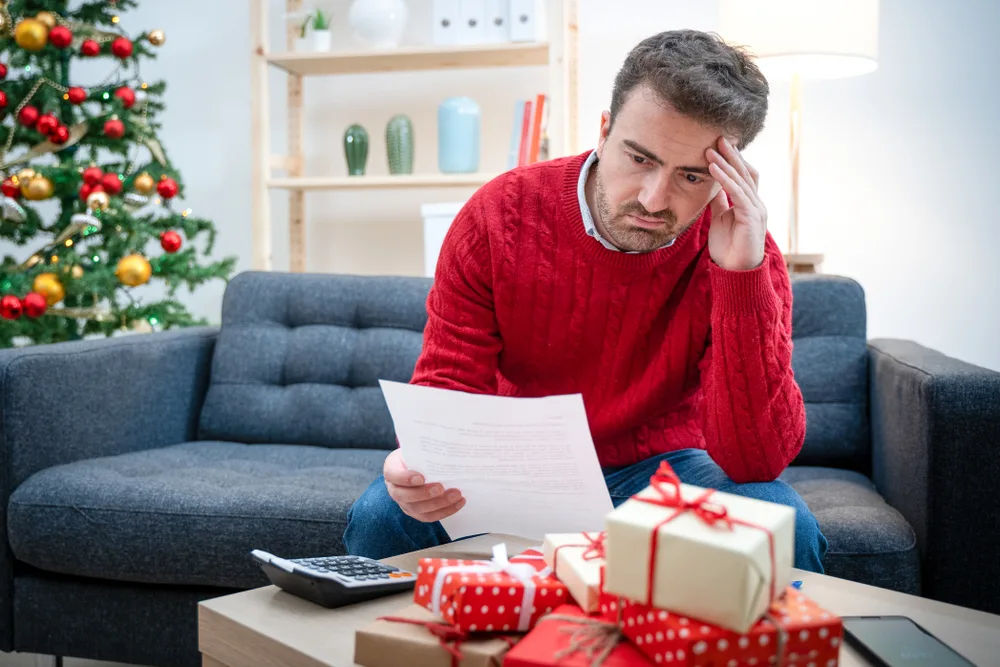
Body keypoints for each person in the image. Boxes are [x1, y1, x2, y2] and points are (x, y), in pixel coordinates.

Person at [344, 29, 828, 571]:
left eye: (691, 176)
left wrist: (739, 276)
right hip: (514, 470)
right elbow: (448, 389)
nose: (653, 199)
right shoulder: (498, 215)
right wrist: (420, 465)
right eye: (640, 158)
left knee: (782, 523)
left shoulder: (745, 253)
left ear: (729, 176)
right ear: (604, 131)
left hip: (665, 473)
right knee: (382, 516)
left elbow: (755, 459)